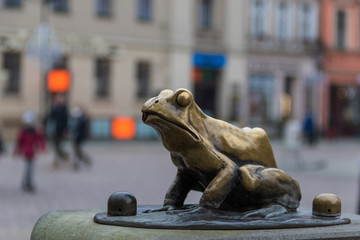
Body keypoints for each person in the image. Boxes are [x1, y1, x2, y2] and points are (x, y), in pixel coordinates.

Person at [14, 111, 46, 193]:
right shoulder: (22, 132)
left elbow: (40, 140)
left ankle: (29, 183)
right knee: (27, 169)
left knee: (31, 169)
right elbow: (19, 142)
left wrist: (42, 148)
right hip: (26, 152)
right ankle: (26, 183)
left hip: (33, 152)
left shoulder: (35, 131)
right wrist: (16, 151)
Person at [49, 94, 69, 168]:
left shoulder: (64, 108)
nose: (58, 99)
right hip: (54, 129)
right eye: (57, 98)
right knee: (55, 146)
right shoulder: (54, 107)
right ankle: (64, 156)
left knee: (58, 146)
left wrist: (66, 129)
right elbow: (50, 116)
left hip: (61, 130)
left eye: (60, 98)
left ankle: (56, 162)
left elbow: (66, 120)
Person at [71, 105, 91, 170]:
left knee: (77, 150)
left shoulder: (83, 118)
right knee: (76, 150)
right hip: (76, 137)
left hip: (80, 137)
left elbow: (81, 128)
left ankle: (82, 161)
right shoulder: (78, 118)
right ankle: (77, 163)